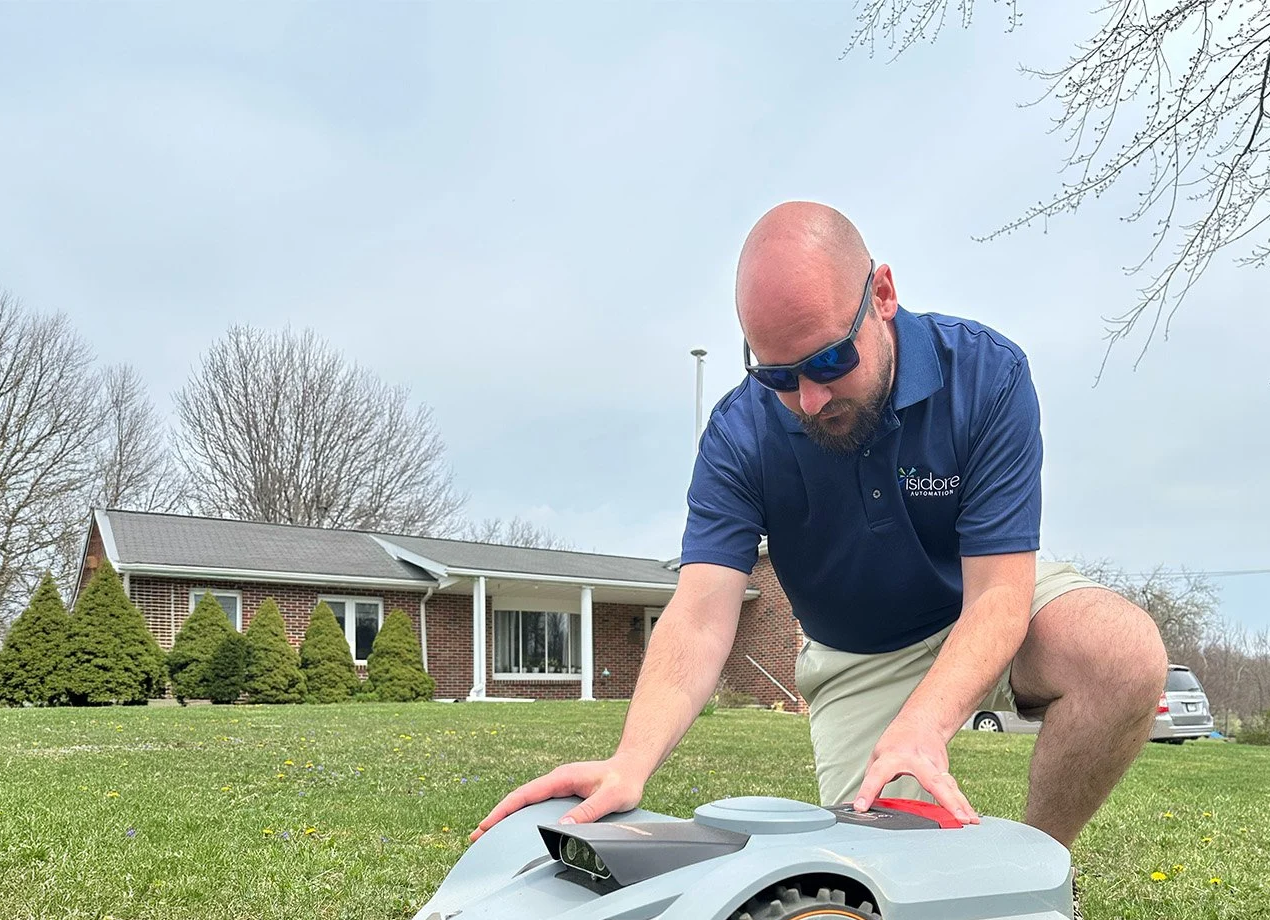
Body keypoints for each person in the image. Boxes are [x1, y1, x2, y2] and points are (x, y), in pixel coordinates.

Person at [475, 202, 1167, 849]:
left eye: (830, 361)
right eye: (778, 375)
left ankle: (1039, 877)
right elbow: (701, 614)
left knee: (1121, 654)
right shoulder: (739, 434)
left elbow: (998, 596)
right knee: (881, 890)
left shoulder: (987, 375)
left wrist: (925, 725)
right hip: (858, 657)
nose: (809, 399)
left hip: (982, 598)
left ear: (883, 296)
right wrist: (631, 761)